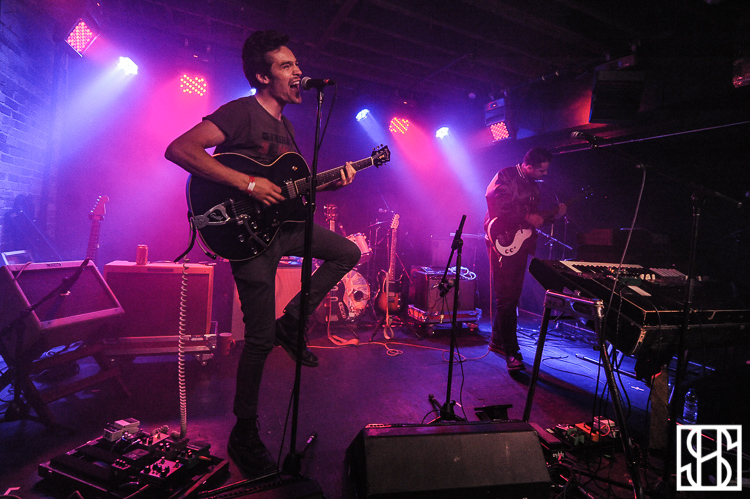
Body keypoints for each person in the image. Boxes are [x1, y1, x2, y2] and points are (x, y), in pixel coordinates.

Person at [165, 30, 360, 478]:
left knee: (346, 252)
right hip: (246, 236)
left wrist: (330, 183)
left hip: (284, 228)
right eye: (287, 66)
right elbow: (180, 149)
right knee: (257, 340)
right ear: (262, 76)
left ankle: (292, 322)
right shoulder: (240, 112)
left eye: (297, 65)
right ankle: (244, 430)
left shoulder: (288, 127)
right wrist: (247, 183)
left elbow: (287, 189)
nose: (298, 72)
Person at [484, 147, 565, 372]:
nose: (545, 174)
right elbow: (498, 204)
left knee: (511, 296)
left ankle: (498, 341)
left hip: (521, 244)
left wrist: (553, 216)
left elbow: (535, 218)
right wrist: (528, 216)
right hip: (502, 240)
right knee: (507, 297)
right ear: (528, 166)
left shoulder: (533, 185)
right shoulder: (506, 176)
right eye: (541, 170)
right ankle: (512, 351)